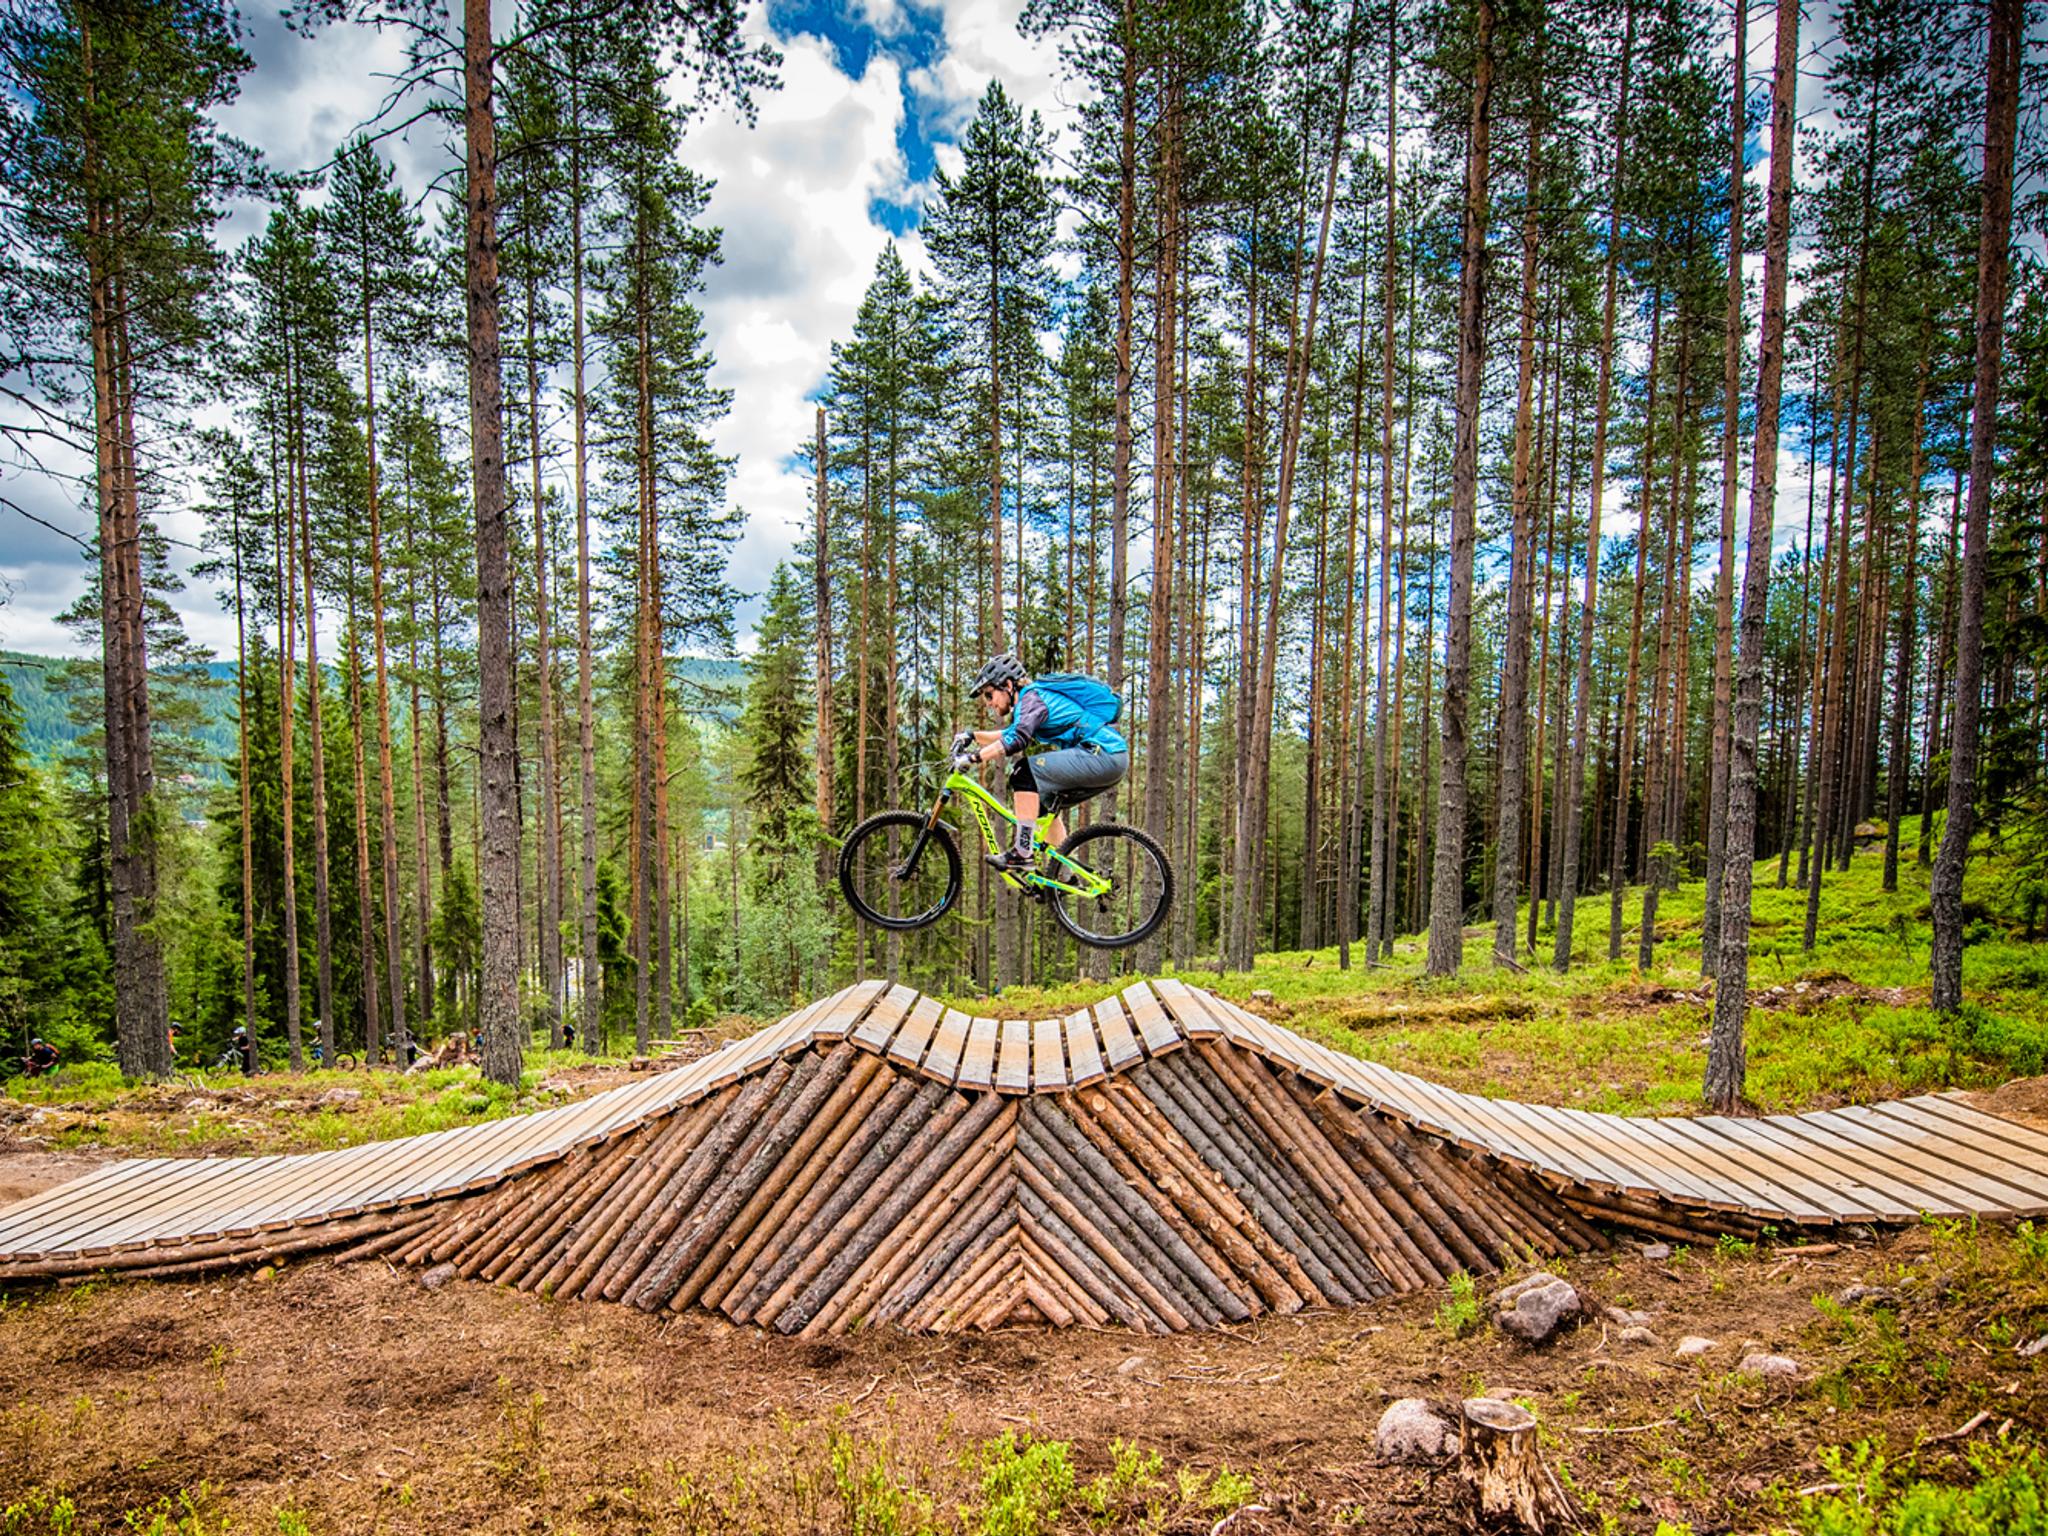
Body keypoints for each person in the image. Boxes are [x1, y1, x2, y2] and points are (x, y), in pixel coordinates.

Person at [956, 653, 1128, 873]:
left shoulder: (1031, 698)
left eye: (990, 695)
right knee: (1042, 808)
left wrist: (974, 758)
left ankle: (1022, 852)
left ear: (1008, 685)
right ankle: (1064, 876)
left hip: (1102, 753)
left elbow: (1017, 739)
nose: (989, 703)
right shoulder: (1030, 702)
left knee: (1023, 772)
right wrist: (972, 736)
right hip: (1108, 758)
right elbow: (1009, 733)